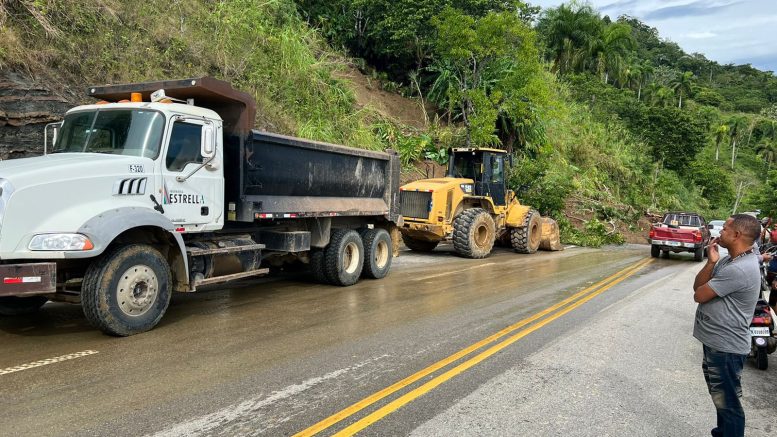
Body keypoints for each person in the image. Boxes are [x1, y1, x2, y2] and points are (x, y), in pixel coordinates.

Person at [693, 214, 761, 437]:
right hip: (717, 345)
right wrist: (711, 262)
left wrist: (712, 268)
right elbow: (698, 285)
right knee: (721, 400)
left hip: (726, 349)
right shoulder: (728, 260)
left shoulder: (740, 268)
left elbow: (700, 295)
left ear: (737, 235)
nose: (719, 233)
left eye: (725, 229)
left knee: (728, 404)